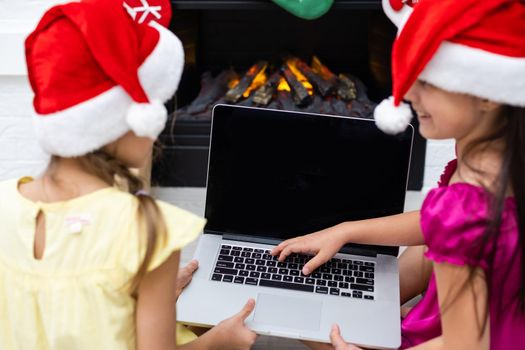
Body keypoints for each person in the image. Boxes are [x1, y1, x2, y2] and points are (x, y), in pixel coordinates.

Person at [0, 0, 256, 349]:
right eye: (156, 102)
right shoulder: (146, 231)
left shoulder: (4, 204)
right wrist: (218, 342)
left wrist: (149, 289)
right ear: (126, 118)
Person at [272, 0, 525, 349]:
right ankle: (379, 306)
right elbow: (440, 226)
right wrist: (347, 230)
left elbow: (465, 345)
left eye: (429, 82)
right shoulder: (498, 158)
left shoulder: (465, 205)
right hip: (503, 322)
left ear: (488, 95)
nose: (407, 92)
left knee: (303, 325)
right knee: (350, 300)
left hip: (464, 336)